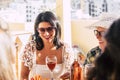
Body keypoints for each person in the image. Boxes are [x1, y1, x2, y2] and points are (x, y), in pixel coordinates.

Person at [20, 11, 73, 80]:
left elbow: (71, 73)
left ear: (56, 29)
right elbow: (23, 77)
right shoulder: (30, 48)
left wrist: (70, 74)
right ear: (37, 31)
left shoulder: (65, 48)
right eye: (42, 30)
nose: (46, 34)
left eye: (50, 29)